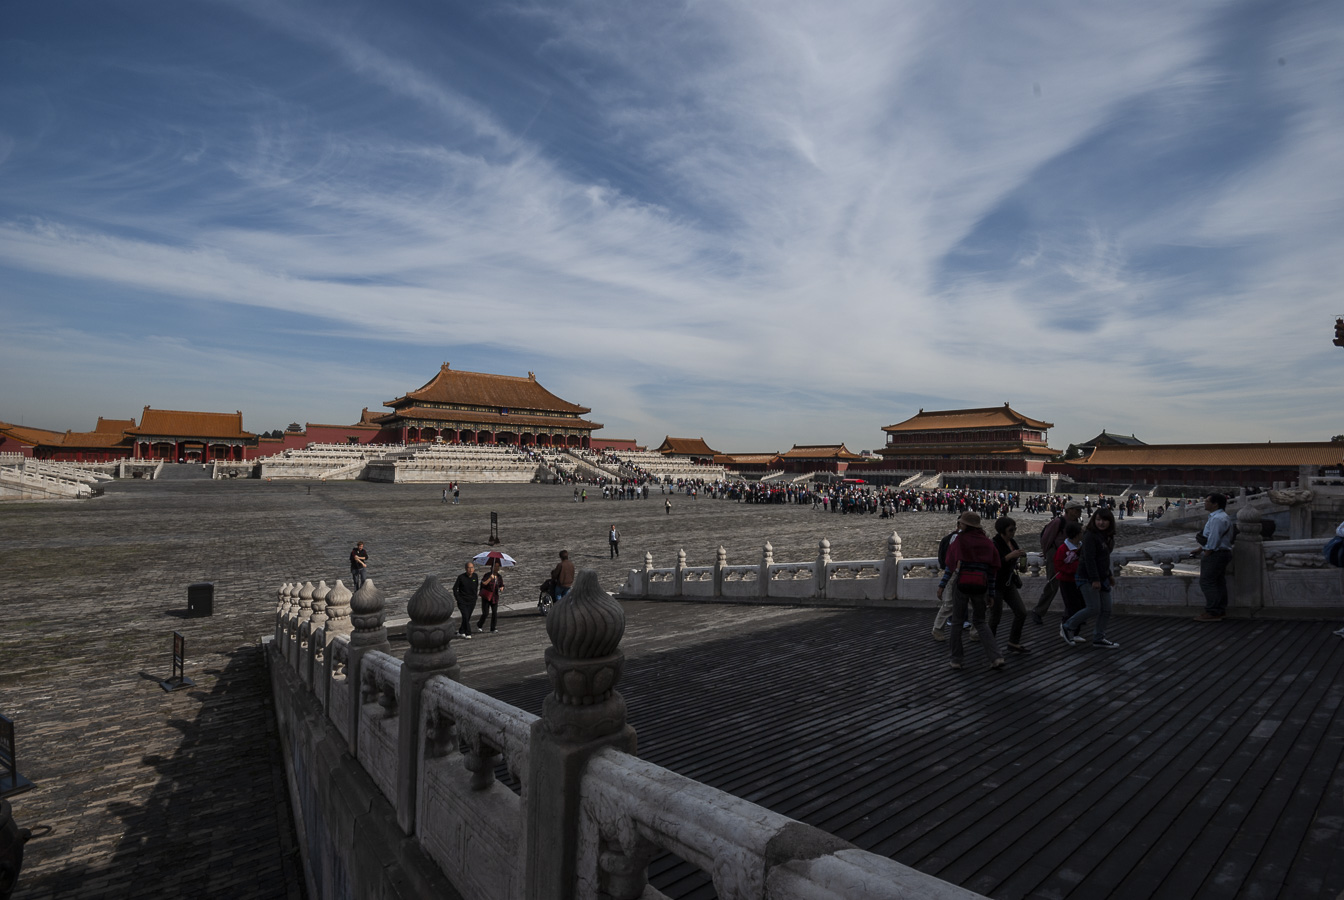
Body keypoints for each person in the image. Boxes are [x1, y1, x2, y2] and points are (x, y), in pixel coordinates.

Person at [938, 511, 1003, 669]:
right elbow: (992, 570)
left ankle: (956, 659)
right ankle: (996, 657)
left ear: (965, 525)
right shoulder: (988, 543)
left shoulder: (960, 540)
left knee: (957, 622)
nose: (959, 525)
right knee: (980, 622)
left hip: (962, 583)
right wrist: (991, 593)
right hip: (981, 585)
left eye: (961, 523)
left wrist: (942, 585)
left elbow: (950, 566)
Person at [1061, 508, 1119, 648]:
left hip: (1102, 576)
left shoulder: (1107, 536)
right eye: (1098, 519)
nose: (1101, 523)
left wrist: (1108, 575)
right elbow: (1089, 559)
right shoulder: (1090, 536)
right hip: (1087, 577)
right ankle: (1068, 626)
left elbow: (1103, 559)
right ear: (1094, 520)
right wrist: (1095, 579)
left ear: (1110, 522)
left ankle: (1099, 637)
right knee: (1093, 608)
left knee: (1106, 609)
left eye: (1104, 520)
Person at [1031, 500, 1084, 624]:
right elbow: (1046, 539)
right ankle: (1038, 611)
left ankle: (1075, 614)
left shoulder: (1077, 522)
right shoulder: (1058, 522)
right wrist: (1046, 553)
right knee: (1053, 584)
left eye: (1079, 510)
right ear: (1069, 510)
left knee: (1072, 586)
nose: (1079, 512)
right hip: (1056, 555)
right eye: (1076, 509)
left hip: (1072, 555)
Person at [1192, 493, 1234, 622]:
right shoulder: (1221, 517)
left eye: (1207, 501)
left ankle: (1213, 611)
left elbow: (1214, 538)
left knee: (1207, 582)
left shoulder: (1217, 519)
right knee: (1218, 582)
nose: (1205, 503)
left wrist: (1208, 551)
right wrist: (1200, 549)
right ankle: (1220, 610)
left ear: (1215, 504)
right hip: (1222, 552)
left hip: (1216, 553)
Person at [990, 517, 1029, 652]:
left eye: (1014, 529)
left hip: (1008, 582)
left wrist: (1021, 565)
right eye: (1010, 530)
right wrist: (1009, 557)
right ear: (1002, 531)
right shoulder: (994, 544)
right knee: (995, 616)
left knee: (1021, 612)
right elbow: (993, 564)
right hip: (996, 584)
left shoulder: (1012, 542)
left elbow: (1013, 562)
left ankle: (1013, 642)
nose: (1013, 532)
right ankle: (990, 644)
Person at [1053, 521, 1086, 619]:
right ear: (1076, 534)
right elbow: (1059, 565)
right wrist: (1077, 567)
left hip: (1079, 580)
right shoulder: (1063, 549)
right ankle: (1067, 627)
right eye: (1081, 532)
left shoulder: (1080, 545)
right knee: (1072, 606)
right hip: (1067, 580)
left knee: (1080, 604)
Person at [453, 561, 479, 638]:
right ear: (465, 569)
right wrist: (458, 598)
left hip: (472, 600)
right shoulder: (461, 577)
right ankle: (468, 633)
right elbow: (455, 588)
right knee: (465, 616)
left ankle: (461, 631)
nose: (470, 569)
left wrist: (475, 596)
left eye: (472, 567)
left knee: (467, 617)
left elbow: (476, 586)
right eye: (469, 568)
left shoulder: (475, 576)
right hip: (463, 601)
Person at [476, 561, 503, 633]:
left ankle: (493, 628)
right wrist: (489, 579)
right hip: (487, 596)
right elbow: (483, 584)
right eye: (495, 567)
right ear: (492, 567)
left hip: (495, 597)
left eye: (498, 567)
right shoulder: (487, 575)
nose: (497, 568)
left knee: (494, 613)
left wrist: (501, 587)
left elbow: (501, 584)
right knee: (485, 613)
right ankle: (479, 624)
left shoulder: (499, 576)